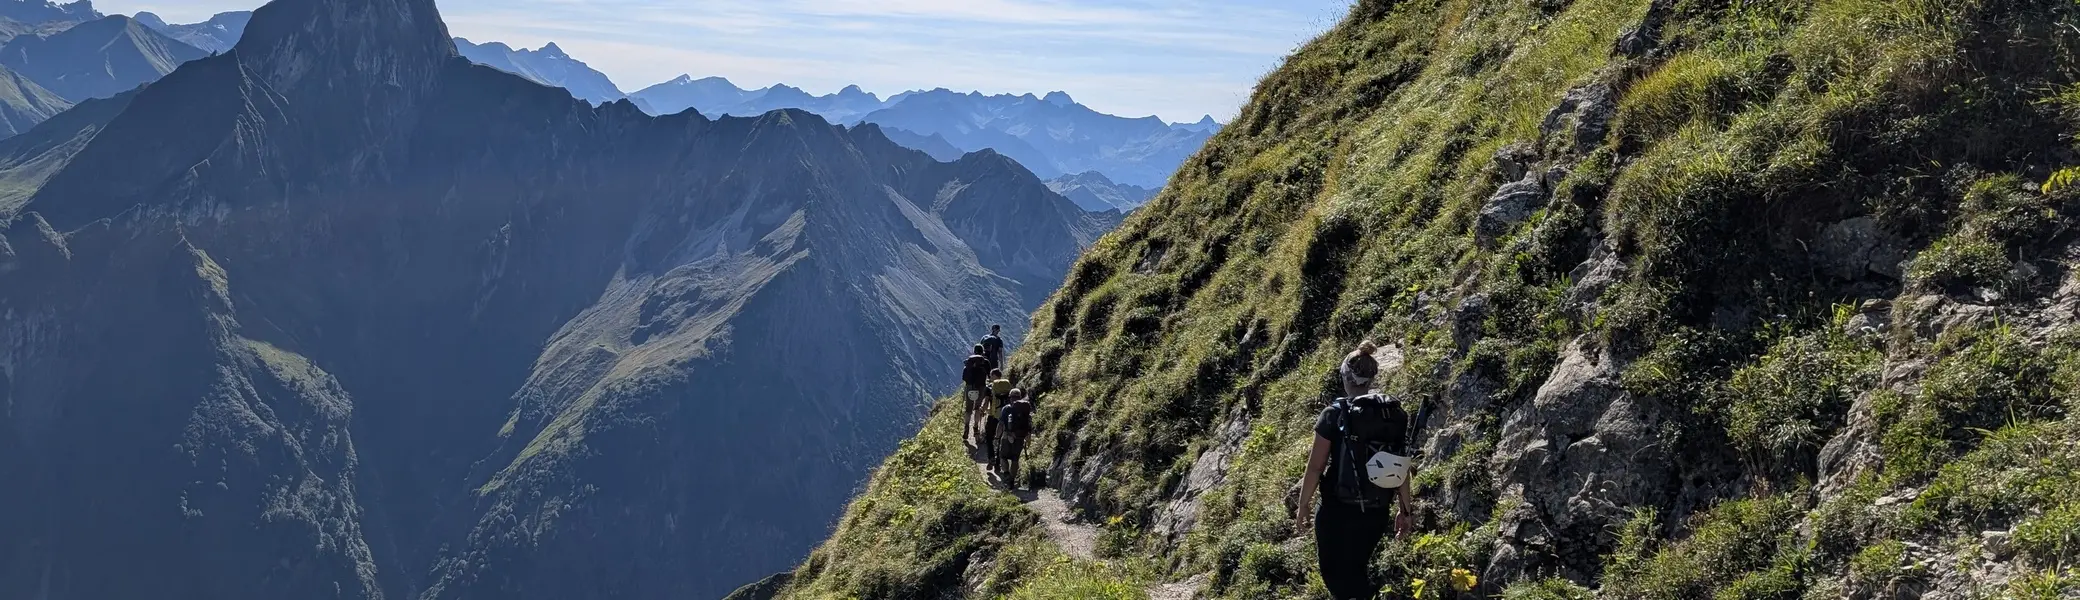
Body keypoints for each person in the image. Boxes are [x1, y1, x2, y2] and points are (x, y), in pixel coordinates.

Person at [1296, 394, 1415, 600]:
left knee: (1334, 573)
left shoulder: (1333, 414)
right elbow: (1400, 468)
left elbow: (1316, 466)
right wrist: (1405, 511)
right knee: (1357, 568)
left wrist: (1303, 504)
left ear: (1346, 378)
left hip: (1336, 510)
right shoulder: (1392, 415)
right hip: (1377, 509)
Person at [996, 389, 1035, 486]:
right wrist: (1028, 437)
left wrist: (997, 437)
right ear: (1020, 397)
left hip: (1007, 436)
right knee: (1015, 459)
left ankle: (1006, 474)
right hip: (1020, 437)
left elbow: (1001, 424)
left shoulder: (1006, 408)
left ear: (1010, 397)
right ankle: (1012, 480)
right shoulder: (1025, 408)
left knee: (1003, 457)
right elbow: (1029, 423)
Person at [983, 369, 1013, 469]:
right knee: (1000, 439)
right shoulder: (1007, 386)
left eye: (991, 375)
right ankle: (998, 463)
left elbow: (986, 403)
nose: (990, 377)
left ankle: (991, 457)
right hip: (1005, 417)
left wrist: (982, 410)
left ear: (994, 376)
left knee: (989, 437)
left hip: (993, 417)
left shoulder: (989, 388)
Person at [962, 345, 992, 442]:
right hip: (981, 387)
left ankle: (966, 427)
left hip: (969, 387)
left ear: (974, 351)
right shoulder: (985, 362)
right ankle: (975, 427)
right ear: (982, 351)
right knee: (977, 408)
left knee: (968, 409)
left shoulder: (969, 362)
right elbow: (990, 376)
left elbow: (964, 377)